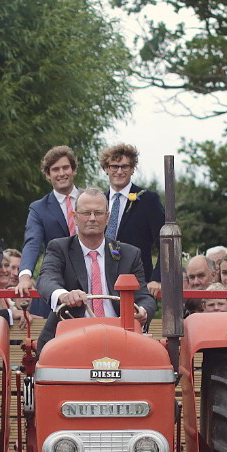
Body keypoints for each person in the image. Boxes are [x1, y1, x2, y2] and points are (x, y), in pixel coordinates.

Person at [35, 188, 156, 350]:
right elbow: (46, 279)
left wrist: (142, 312)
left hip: (120, 338)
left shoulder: (129, 254)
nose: (92, 218)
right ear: (75, 217)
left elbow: (144, 296)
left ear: (107, 218)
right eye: (86, 213)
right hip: (69, 339)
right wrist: (64, 295)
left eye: (98, 213)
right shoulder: (59, 248)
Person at [17, 146, 79, 317]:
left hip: (91, 280)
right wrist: (25, 276)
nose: (61, 173)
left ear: (73, 170)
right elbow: (32, 243)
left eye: (65, 167)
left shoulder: (92, 200)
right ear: (47, 175)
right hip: (56, 282)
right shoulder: (39, 208)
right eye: (55, 169)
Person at [100, 143, 165, 299]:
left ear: (133, 168)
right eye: (114, 166)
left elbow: (165, 244)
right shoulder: (98, 200)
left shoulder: (148, 200)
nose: (119, 171)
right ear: (106, 168)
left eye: (125, 167)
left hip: (138, 283)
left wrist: (157, 279)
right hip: (101, 282)